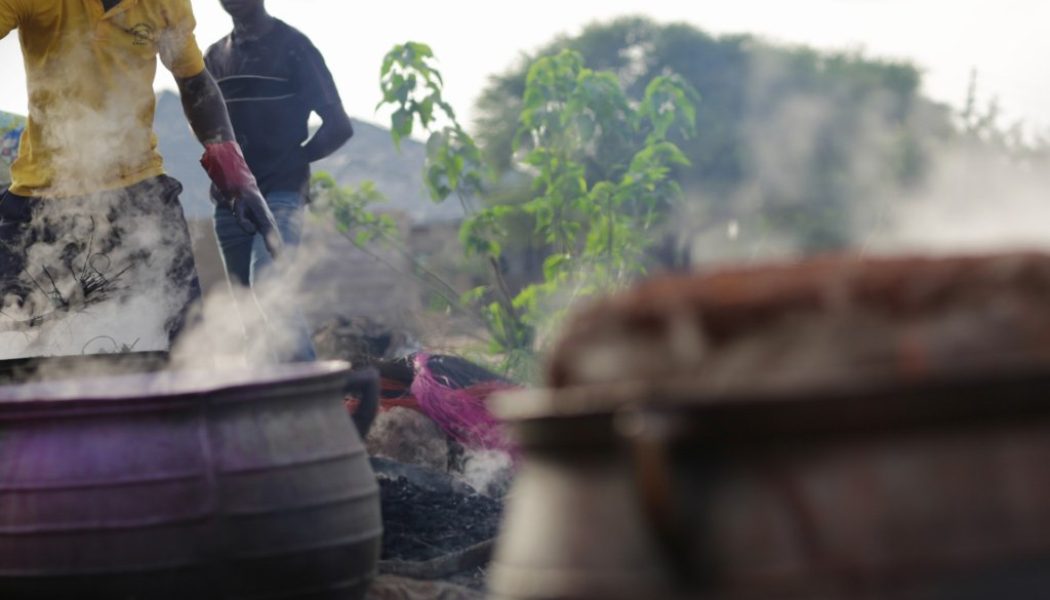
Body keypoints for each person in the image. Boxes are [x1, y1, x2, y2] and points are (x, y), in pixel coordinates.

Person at [0, 0, 280, 360]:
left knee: (186, 342)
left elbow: (194, 82)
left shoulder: (165, 4)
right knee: (12, 336)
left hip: (137, 190)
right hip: (38, 196)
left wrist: (235, 174)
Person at [206, 0, 354, 363]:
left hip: (281, 193)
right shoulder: (214, 57)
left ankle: (312, 397)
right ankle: (263, 405)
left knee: (271, 290)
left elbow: (339, 125)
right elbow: (208, 127)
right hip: (231, 202)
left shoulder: (294, 47)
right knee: (245, 312)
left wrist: (294, 160)